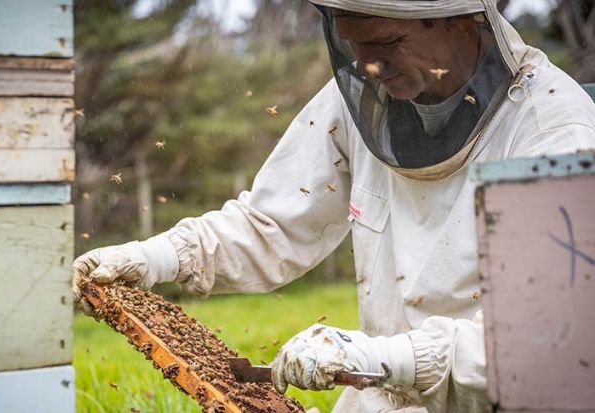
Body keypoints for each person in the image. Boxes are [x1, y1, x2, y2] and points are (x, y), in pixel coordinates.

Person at [72, 1, 595, 412]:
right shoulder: (363, 97)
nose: (370, 66)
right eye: (355, 47)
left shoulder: (554, 131)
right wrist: (156, 257)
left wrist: (374, 355)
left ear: (457, 22)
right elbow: (271, 224)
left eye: (387, 43)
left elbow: (547, 347)